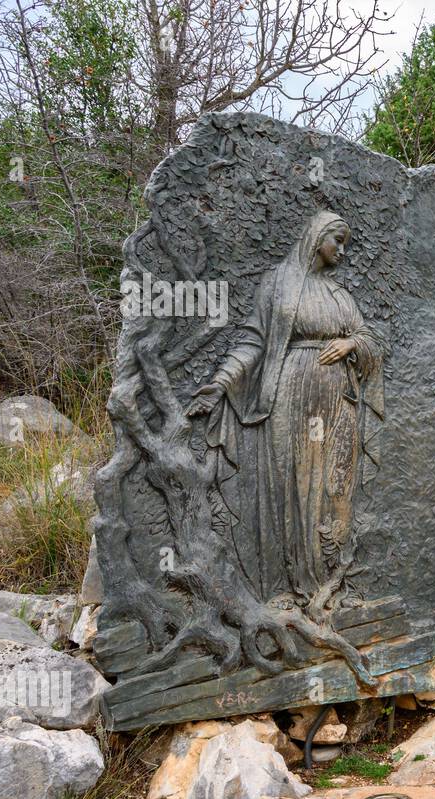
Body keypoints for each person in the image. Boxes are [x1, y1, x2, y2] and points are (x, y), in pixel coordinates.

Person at [186, 211, 387, 606]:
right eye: (337, 241)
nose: (342, 251)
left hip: (338, 402)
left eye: (346, 244)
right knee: (291, 486)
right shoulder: (278, 285)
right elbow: (252, 342)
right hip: (291, 397)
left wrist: (352, 345)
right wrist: (220, 384)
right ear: (316, 239)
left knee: (335, 486)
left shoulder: (339, 295)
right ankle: (289, 586)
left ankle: (331, 583)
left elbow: (368, 337)